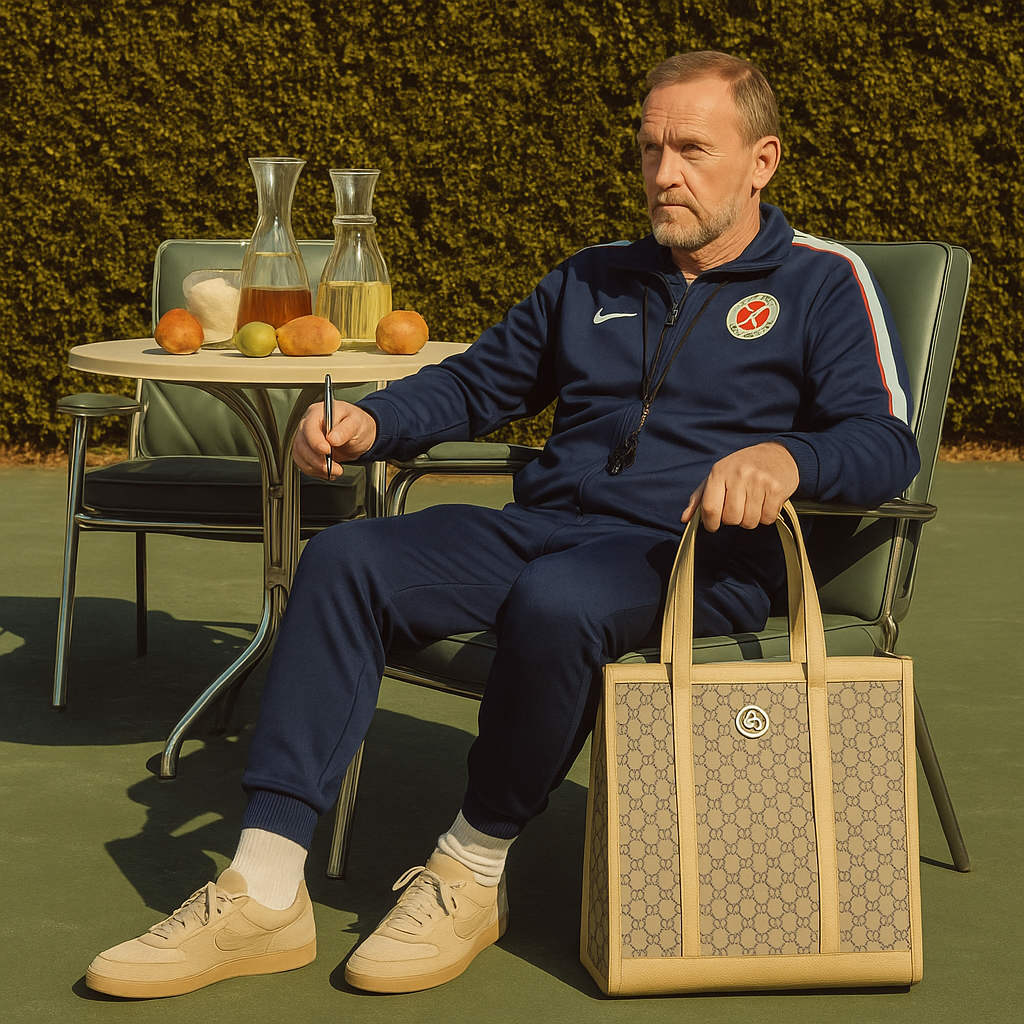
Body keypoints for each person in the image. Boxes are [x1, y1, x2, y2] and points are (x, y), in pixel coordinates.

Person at [86, 51, 919, 999]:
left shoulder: (821, 283)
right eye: (650, 149)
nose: (664, 174)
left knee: (557, 602)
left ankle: (470, 872)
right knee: (348, 557)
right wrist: (375, 421)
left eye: (693, 149)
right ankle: (264, 887)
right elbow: (480, 382)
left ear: (762, 160)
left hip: (695, 559)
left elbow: (885, 440)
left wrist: (789, 459)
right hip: (550, 525)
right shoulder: (593, 277)